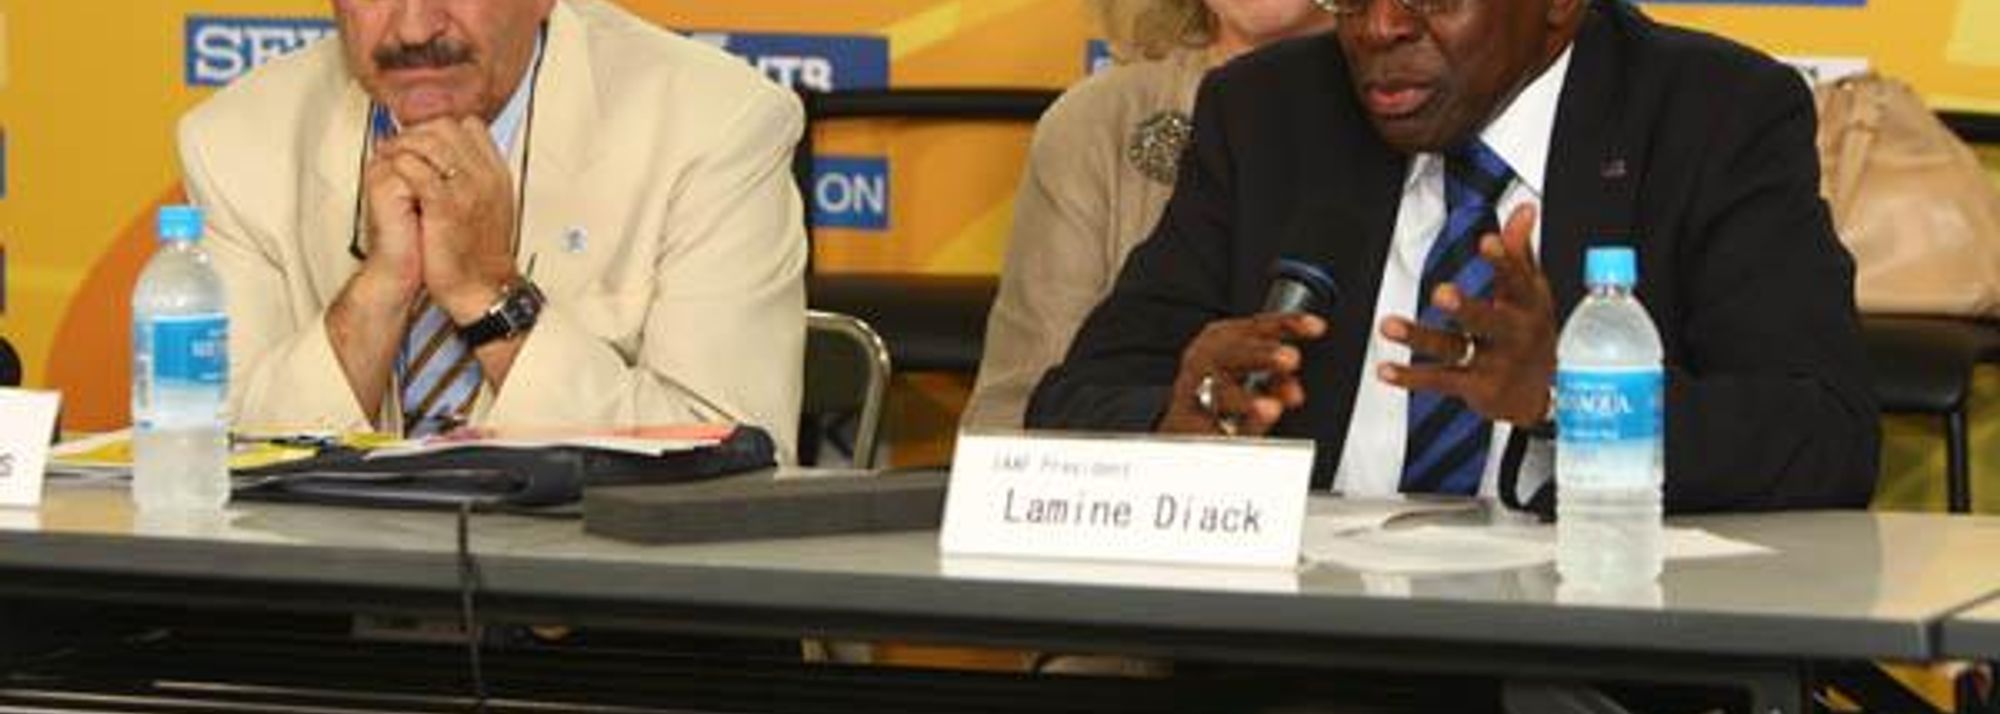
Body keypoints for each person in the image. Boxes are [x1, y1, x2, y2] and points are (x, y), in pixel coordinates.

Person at [1028, 0, 1879, 512]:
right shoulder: (1267, 114)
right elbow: (1071, 404)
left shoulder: (1712, 116)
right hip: (1293, 660)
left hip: (1583, 660)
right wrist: (1179, 418)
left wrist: (1568, 399)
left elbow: (1823, 437)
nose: (1380, 29)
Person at [176, 0, 808, 455]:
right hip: (331, 610)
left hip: (604, 616)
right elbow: (208, 456)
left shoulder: (713, 125)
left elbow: (734, 455)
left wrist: (487, 294)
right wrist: (378, 291)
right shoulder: (237, 140)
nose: (415, 27)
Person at [963, 0, 1336, 429]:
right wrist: (1163, 428)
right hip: (1143, 486)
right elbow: (1014, 413)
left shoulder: (1415, 114)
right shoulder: (1097, 121)